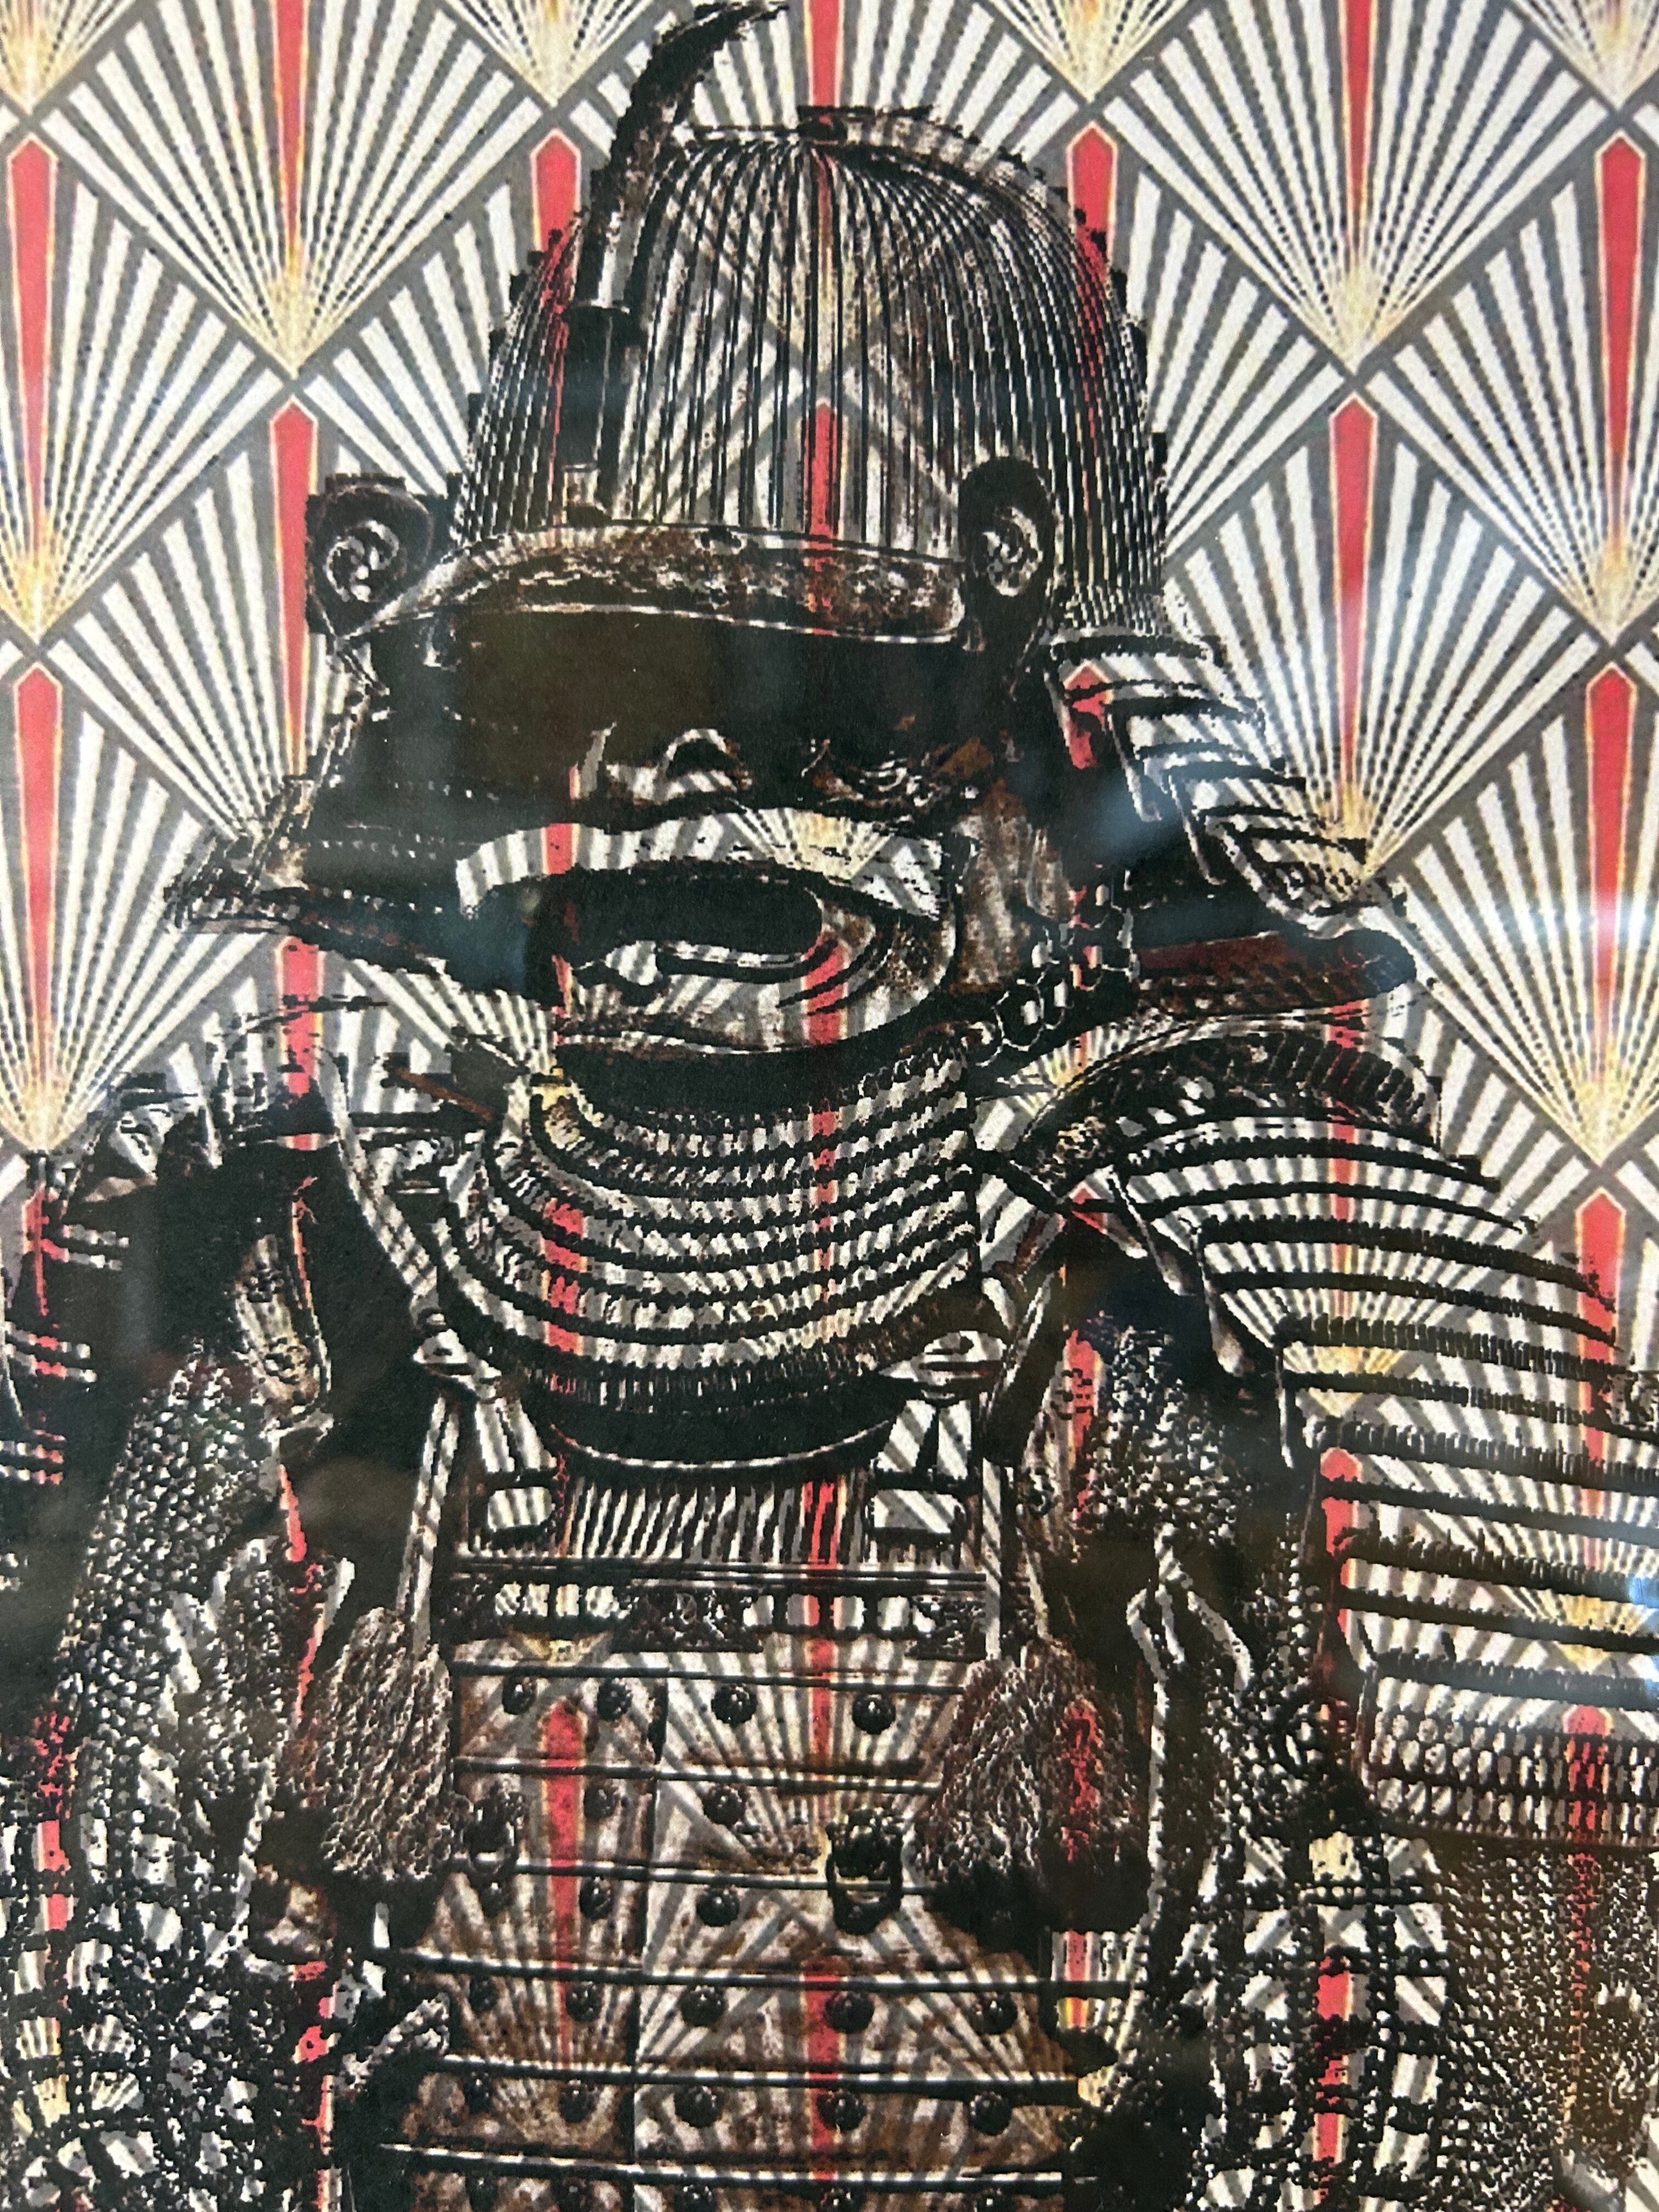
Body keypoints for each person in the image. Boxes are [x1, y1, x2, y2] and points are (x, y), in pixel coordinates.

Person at [5, 9, 1657, 2209]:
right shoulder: (307, 1289)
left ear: (1013, 752)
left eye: (817, 720)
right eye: (588, 695)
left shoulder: (1197, 1302)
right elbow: (87, 2003)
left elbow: (1412, 2059)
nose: (678, 797)